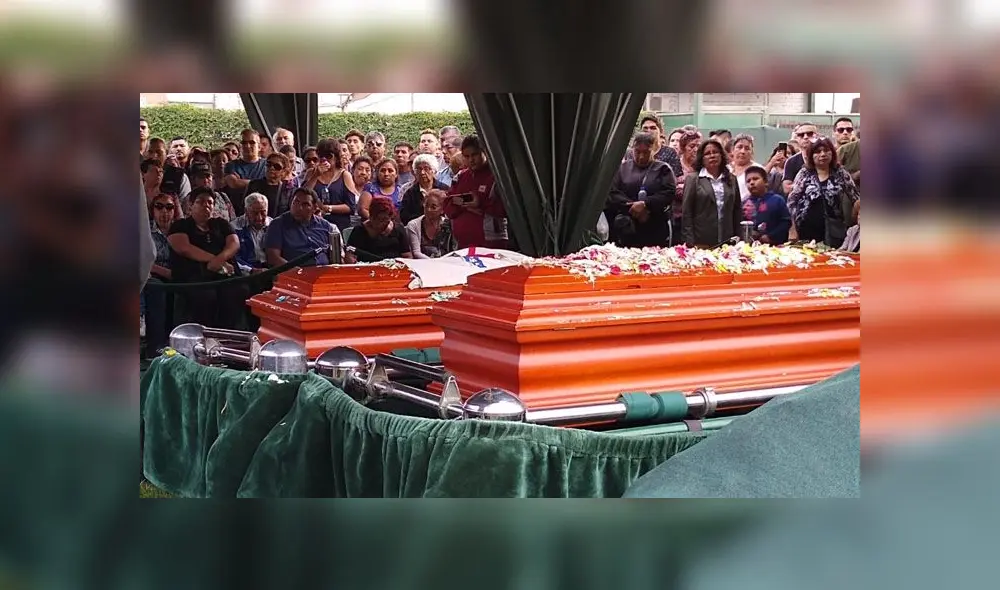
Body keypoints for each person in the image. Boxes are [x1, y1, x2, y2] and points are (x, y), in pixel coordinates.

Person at [166, 187, 248, 329]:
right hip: (194, 277)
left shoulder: (221, 224)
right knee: (205, 296)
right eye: (201, 202)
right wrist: (214, 261)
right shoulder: (180, 225)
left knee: (237, 291)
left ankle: (230, 338)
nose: (206, 205)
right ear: (191, 205)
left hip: (224, 275)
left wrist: (219, 260)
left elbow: (234, 243)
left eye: (210, 202)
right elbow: (183, 247)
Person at [787, 136, 859, 247]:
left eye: (826, 151)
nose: (822, 154)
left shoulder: (840, 173)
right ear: (811, 155)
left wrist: (855, 221)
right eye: (818, 152)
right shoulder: (804, 173)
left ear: (832, 153)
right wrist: (792, 229)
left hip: (833, 231)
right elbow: (791, 203)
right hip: (805, 229)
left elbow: (856, 198)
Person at [605, 132, 674, 248]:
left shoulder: (663, 169)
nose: (641, 156)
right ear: (632, 149)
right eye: (637, 152)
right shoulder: (622, 168)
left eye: (646, 152)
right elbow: (612, 192)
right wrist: (633, 207)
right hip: (627, 227)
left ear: (654, 150)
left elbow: (668, 193)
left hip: (655, 226)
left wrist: (646, 204)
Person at [681, 138, 741, 247]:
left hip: (727, 240)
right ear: (702, 158)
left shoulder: (731, 179)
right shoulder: (693, 179)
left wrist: (738, 238)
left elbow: (737, 210)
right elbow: (687, 212)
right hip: (701, 241)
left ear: (722, 155)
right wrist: (690, 241)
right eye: (707, 154)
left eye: (715, 152)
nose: (712, 156)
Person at [445, 135, 501, 249]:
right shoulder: (460, 177)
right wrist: (464, 206)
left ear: (484, 152)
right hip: (462, 245)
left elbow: (507, 211)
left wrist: (480, 204)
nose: (471, 159)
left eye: (475, 154)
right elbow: (447, 207)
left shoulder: (497, 177)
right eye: (466, 156)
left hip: (490, 244)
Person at [263, 187, 338, 268]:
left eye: (305, 204)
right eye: (296, 202)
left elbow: (336, 257)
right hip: (293, 274)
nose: (299, 208)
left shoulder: (325, 226)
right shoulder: (278, 224)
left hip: (325, 273)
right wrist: (295, 271)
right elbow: (273, 258)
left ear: (314, 207)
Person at [301, 138, 357, 231]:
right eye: (321, 156)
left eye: (329, 156)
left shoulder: (344, 175)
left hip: (339, 224)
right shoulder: (311, 173)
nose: (325, 159)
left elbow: (351, 207)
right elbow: (302, 195)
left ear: (336, 156)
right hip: (313, 225)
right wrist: (315, 176)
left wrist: (328, 208)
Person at [346, 196, 411, 263]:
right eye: (381, 220)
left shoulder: (398, 229)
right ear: (371, 217)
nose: (384, 223)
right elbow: (350, 255)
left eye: (387, 220)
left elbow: (407, 255)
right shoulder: (359, 231)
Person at [743, 165, 791, 245]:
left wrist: (771, 236)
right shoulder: (744, 203)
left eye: (755, 179)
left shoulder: (777, 200)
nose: (751, 182)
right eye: (748, 181)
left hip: (776, 246)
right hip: (750, 247)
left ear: (766, 182)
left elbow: (786, 222)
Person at [406, 189, 457, 258]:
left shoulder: (449, 225)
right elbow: (416, 253)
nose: (428, 209)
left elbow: (454, 250)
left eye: (433, 207)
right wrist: (434, 263)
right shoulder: (413, 225)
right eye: (426, 205)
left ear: (442, 210)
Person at [399, 154, 449, 224]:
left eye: (426, 168)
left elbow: (449, 211)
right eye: (419, 169)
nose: (422, 173)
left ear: (433, 170)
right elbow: (404, 216)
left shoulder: (444, 189)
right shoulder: (410, 193)